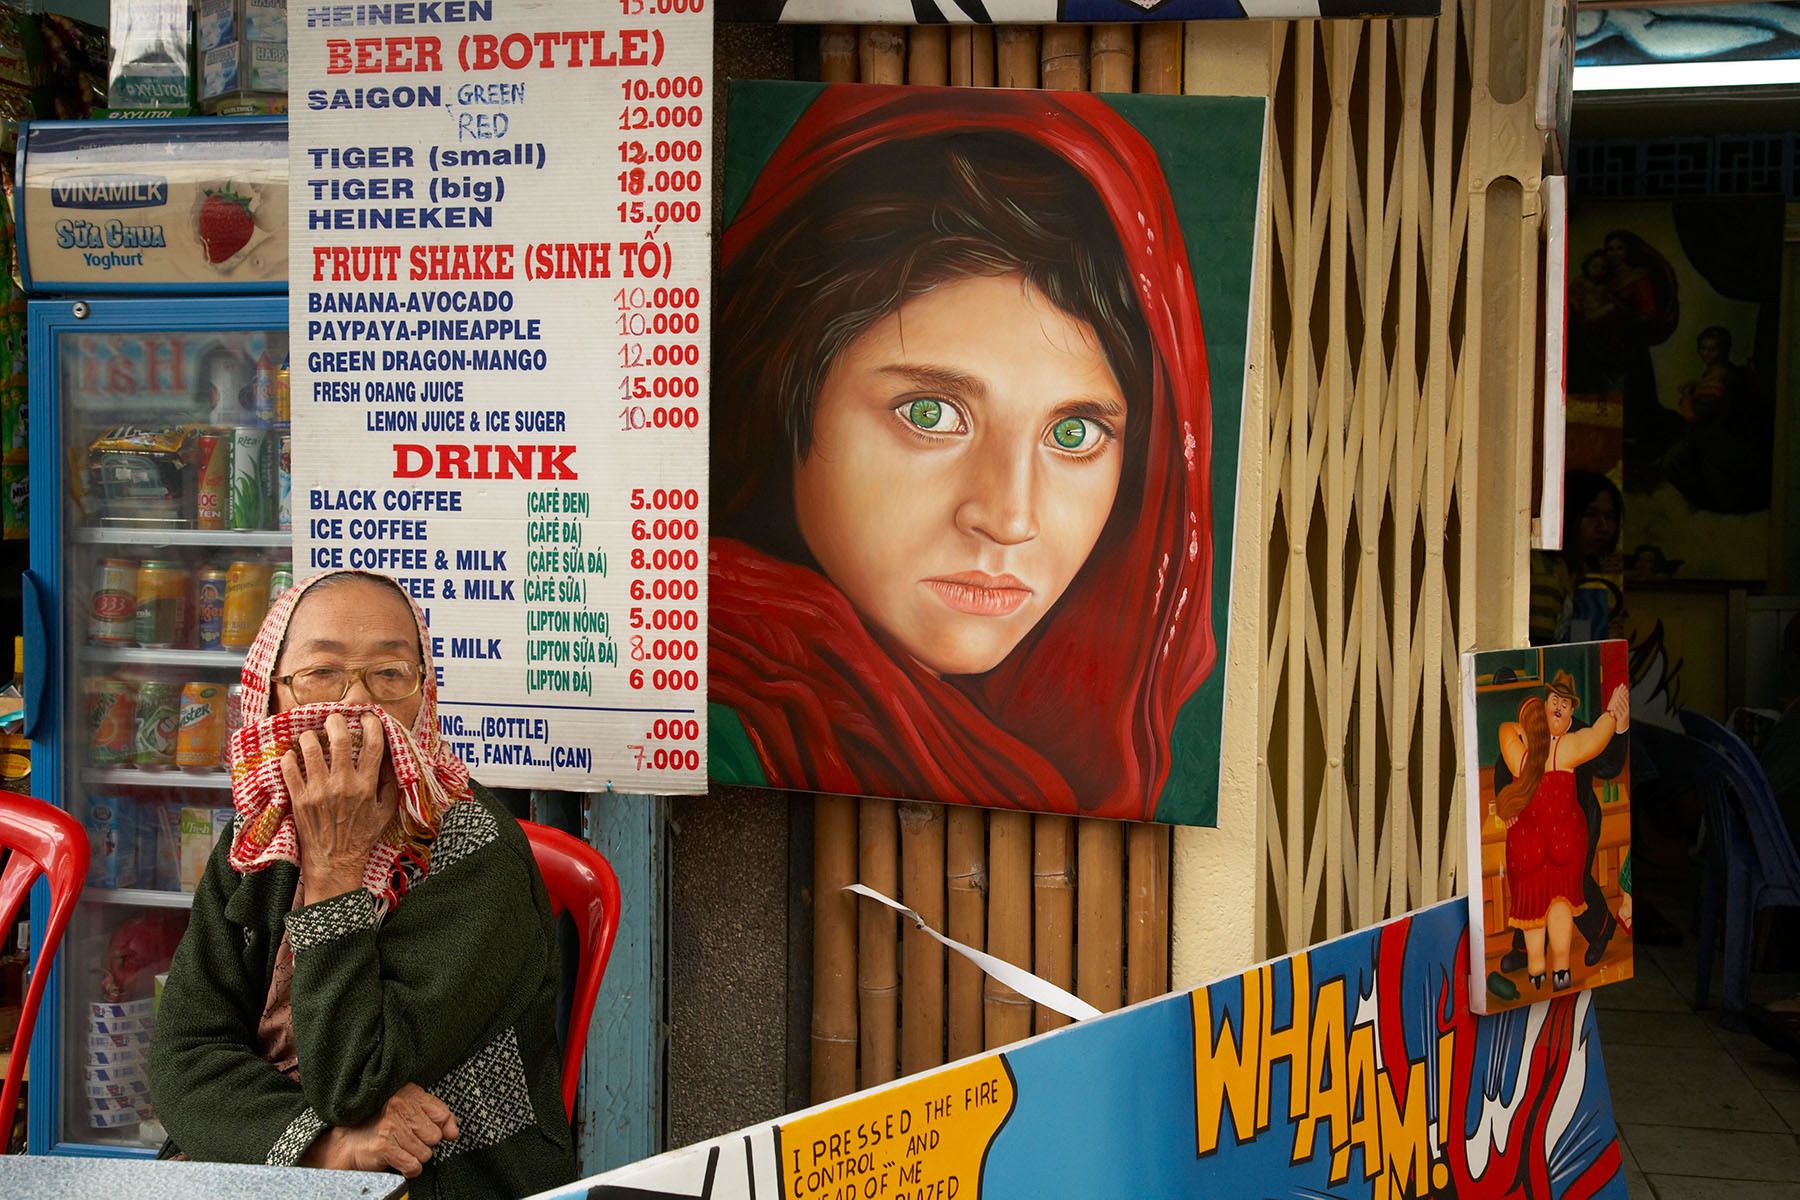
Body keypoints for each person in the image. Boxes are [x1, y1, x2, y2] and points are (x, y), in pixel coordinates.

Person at [709, 87, 1217, 822]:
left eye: (1074, 433)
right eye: (931, 413)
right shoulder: (714, 717)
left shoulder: (1097, 743)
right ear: (781, 386)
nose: (1008, 518)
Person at [149, 570, 576, 1197]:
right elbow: (185, 1054)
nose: (355, 706)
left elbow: (356, 1080)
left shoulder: (473, 850)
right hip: (287, 1160)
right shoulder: (263, 833)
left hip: (447, 1176)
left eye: (390, 675)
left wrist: (336, 868)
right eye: (321, 674)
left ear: (422, 697)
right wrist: (326, 1143)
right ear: (272, 694)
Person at [1495, 672, 1630, 991]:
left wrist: (1619, 724)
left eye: (1564, 702)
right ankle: (1527, 950)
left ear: (1571, 711)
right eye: (1552, 699)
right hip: (1534, 828)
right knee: (1531, 886)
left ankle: (1602, 929)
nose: (1557, 705)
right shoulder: (1528, 738)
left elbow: (1610, 766)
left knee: (1572, 886)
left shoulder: (1578, 736)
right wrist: (1507, 804)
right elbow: (1505, 766)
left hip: (1577, 818)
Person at [1529, 470, 1624, 647]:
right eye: (1589, 514)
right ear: (1566, 514)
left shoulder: (1566, 570)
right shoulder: (1546, 573)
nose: (1603, 527)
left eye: (1610, 517)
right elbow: (1537, 653)